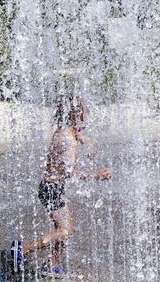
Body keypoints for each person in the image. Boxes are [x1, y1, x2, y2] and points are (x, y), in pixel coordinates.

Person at [10, 93, 111, 276]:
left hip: (51, 187)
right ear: (76, 114)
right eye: (84, 112)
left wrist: (89, 143)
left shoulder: (65, 131)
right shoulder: (68, 140)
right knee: (64, 231)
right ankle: (23, 248)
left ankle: (52, 264)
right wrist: (95, 175)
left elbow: (77, 134)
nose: (87, 115)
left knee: (64, 228)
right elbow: (69, 172)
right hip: (52, 189)